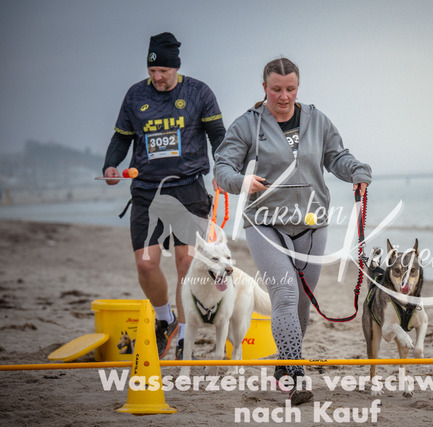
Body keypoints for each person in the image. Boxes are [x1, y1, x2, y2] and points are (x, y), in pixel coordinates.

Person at [214, 57, 371, 404]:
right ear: (264, 88)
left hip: (312, 225)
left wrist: (358, 171)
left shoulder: (317, 120)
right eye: (276, 89)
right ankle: (297, 375)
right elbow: (223, 167)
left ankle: (283, 367)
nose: (283, 97)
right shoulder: (247, 125)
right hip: (265, 223)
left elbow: (337, 157)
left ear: (298, 87)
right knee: (284, 294)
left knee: (300, 304)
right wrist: (241, 181)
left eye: (290, 89)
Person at [101, 32, 226, 360]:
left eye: (164, 71)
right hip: (147, 191)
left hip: (188, 189)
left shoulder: (198, 93)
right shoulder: (135, 95)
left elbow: (218, 136)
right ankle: (164, 319)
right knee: (145, 265)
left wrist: (223, 168)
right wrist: (111, 165)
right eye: (152, 70)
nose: (157, 77)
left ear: (176, 68)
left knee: (187, 263)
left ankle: (185, 334)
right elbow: (121, 137)